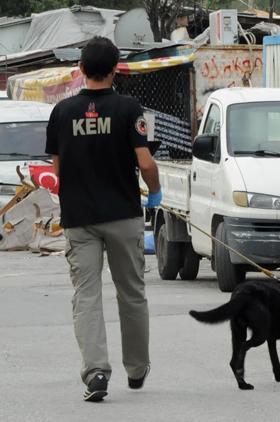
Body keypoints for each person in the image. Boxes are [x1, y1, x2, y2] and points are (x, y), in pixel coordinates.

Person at [45, 36, 162, 402]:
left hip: (80, 219)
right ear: (115, 70)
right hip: (124, 215)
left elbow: (57, 169)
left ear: (80, 70)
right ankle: (137, 368)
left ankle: (96, 373)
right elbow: (145, 162)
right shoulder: (129, 109)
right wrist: (155, 192)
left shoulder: (61, 113)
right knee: (131, 293)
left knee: (87, 296)